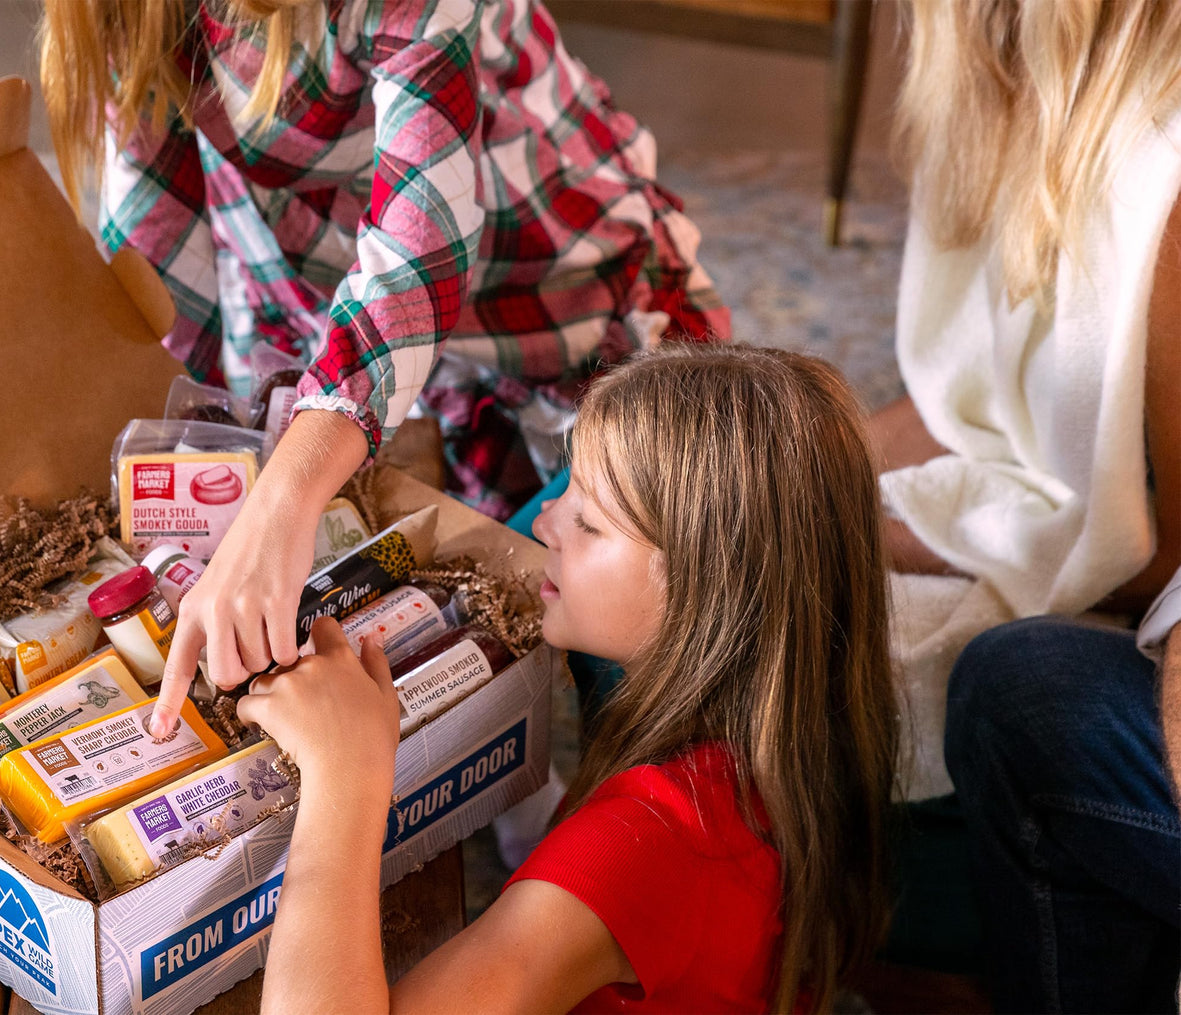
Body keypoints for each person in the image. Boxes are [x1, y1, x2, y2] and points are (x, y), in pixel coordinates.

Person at [39, 0, 730, 704]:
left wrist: (281, 501)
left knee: (615, 592)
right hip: (336, 297)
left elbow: (415, 251)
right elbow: (154, 235)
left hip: (539, 278)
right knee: (461, 610)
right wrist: (164, 448)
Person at [234, 343, 899, 1012]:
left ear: (702, 589)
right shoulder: (783, 723)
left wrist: (345, 774)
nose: (545, 523)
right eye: (564, 488)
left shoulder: (648, 843)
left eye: (587, 520)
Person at [871, 0, 1181, 1008]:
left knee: (1013, 690)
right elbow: (974, 403)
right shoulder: (1005, 101)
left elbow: (1159, 565)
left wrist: (925, 533)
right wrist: (790, 462)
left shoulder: (1162, 179)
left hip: (1133, 587)